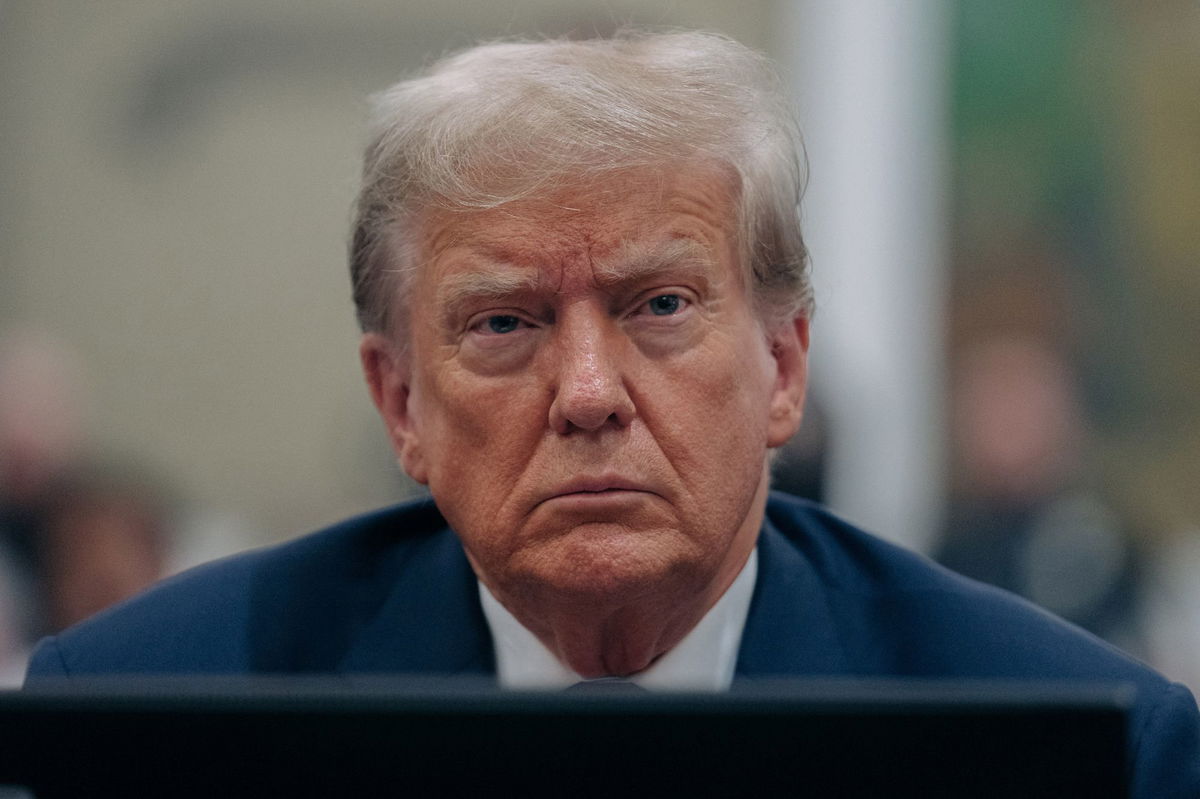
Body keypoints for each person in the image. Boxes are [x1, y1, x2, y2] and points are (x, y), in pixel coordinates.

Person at [24, 31, 1198, 794]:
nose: (587, 395)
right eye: (504, 324)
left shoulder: (1080, 750)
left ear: (784, 365)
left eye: (661, 305)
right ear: (401, 405)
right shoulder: (142, 725)